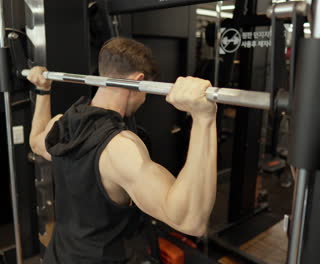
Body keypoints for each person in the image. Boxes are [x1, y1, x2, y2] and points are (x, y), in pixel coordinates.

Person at [28, 37, 218, 263]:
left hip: (59, 256)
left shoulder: (60, 125)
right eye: (145, 90)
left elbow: (35, 143)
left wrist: (42, 91)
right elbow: (190, 220)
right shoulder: (120, 148)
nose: (144, 98)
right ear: (138, 81)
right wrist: (203, 118)